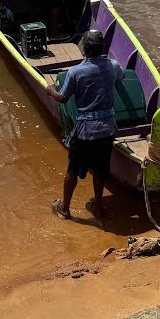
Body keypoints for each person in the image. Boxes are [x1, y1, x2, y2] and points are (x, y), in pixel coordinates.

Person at [46, 30, 123, 220]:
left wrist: (50, 91)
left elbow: (63, 98)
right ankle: (98, 208)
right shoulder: (112, 66)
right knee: (100, 170)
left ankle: (65, 209)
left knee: (72, 169)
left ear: (84, 50)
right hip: (107, 129)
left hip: (85, 131)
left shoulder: (76, 71)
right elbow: (120, 77)